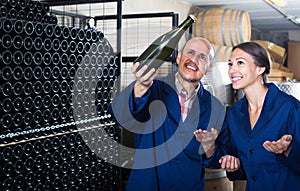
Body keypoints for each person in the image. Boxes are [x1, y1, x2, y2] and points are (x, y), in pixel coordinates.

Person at [109, 37, 226, 191]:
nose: (194, 60)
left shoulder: (216, 108)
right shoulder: (150, 88)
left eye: (202, 57)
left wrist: (209, 147)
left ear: (209, 68)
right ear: (178, 58)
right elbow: (120, 116)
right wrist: (139, 88)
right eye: (190, 52)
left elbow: (216, 160)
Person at [195, 41, 300, 191]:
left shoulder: (289, 107)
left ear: (260, 68)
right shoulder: (235, 114)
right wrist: (210, 146)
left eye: (240, 63)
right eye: (230, 64)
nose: (232, 70)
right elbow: (234, 164)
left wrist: (288, 149)